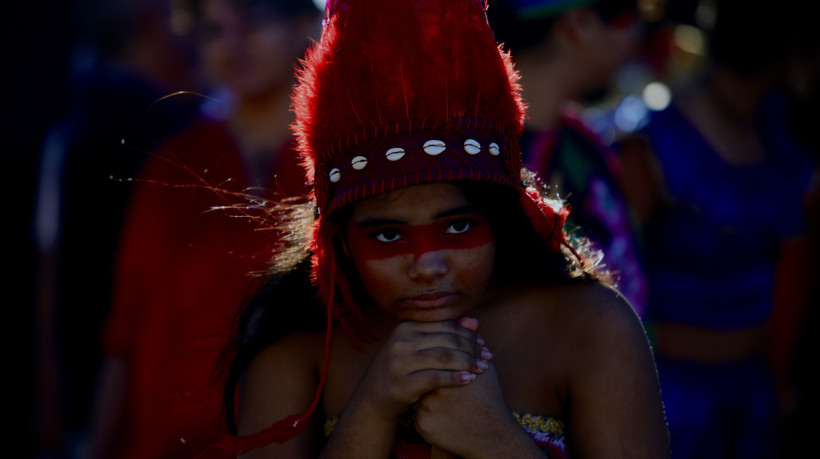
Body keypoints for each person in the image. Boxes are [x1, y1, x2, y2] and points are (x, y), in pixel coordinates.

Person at [211, 0, 670, 457]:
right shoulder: (299, 340)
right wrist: (373, 408)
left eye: (459, 227)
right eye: (388, 235)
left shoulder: (591, 326)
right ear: (340, 242)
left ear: (500, 220)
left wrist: (494, 438)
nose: (428, 266)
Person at [86, 1, 321, 458]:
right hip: (166, 442)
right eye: (214, 30)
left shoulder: (338, 163)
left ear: (304, 24)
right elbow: (125, 330)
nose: (233, 44)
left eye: (252, 22)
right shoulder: (171, 165)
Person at [617, 0, 818, 456]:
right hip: (671, 399)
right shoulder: (654, 141)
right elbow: (614, 275)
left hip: (755, 393)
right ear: (789, 49)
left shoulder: (780, 131)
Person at [485, 0, 649, 318]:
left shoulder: (581, 137)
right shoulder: (488, 162)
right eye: (626, 12)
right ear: (580, 23)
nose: (635, 32)